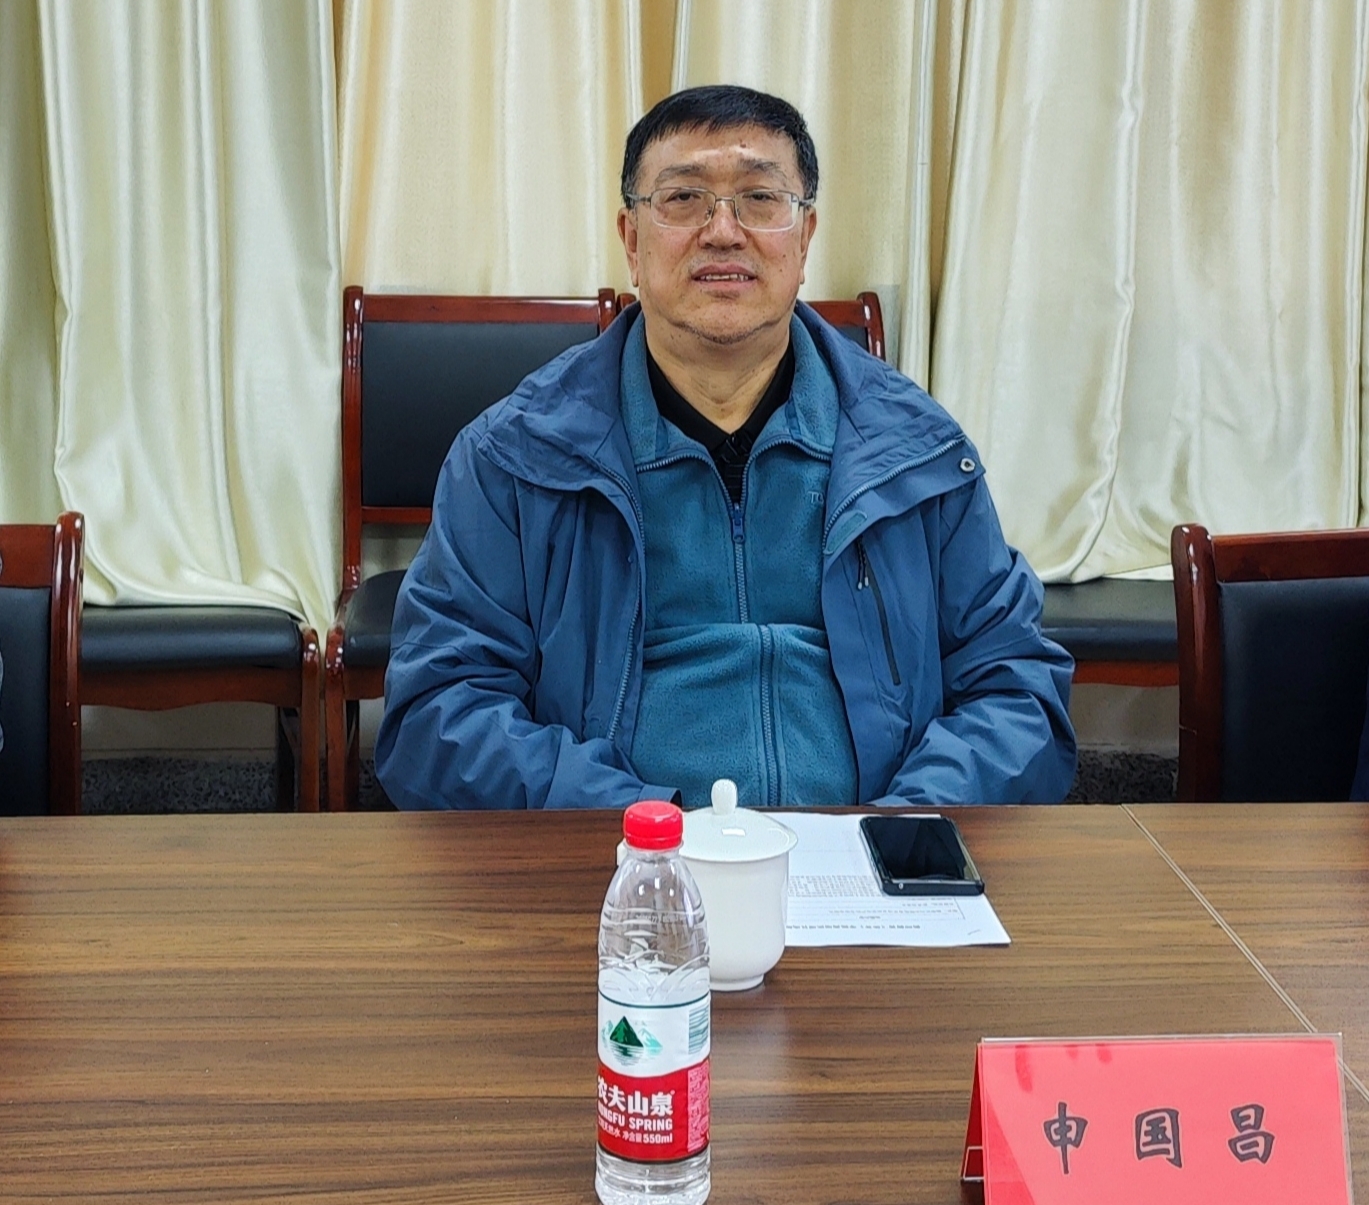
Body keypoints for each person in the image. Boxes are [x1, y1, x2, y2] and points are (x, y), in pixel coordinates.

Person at [376, 84, 1076, 810]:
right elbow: (440, 710)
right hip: (623, 855)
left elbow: (1017, 689)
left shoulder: (917, 454)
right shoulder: (515, 457)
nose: (722, 230)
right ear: (631, 241)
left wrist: (901, 826)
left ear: (803, 239)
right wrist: (644, 828)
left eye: (760, 199)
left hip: (866, 852)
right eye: (683, 199)